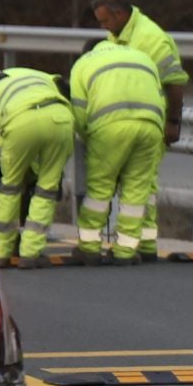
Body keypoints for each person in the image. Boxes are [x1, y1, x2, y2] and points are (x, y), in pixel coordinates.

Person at [92, 0, 185, 257]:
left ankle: (138, 245)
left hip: (149, 120)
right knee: (140, 184)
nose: (103, 27)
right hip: (126, 119)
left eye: (105, 21)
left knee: (142, 183)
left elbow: (175, 81)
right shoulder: (120, 34)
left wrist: (173, 122)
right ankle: (143, 243)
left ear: (120, 14)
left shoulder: (150, 38)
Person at [0, 69, 76, 269]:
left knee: (10, 186)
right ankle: (31, 253)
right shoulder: (37, 80)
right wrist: (34, 171)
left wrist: (17, 169)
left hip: (22, 124)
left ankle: (1, 252)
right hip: (62, 119)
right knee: (47, 188)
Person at [69, 40, 167, 265]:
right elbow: (160, 99)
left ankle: (90, 248)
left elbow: (79, 111)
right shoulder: (143, 57)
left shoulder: (84, 63)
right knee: (137, 190)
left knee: (99, 189)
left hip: (109, 128)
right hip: (151, 125)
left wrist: (88, 138)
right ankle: (125, 251)